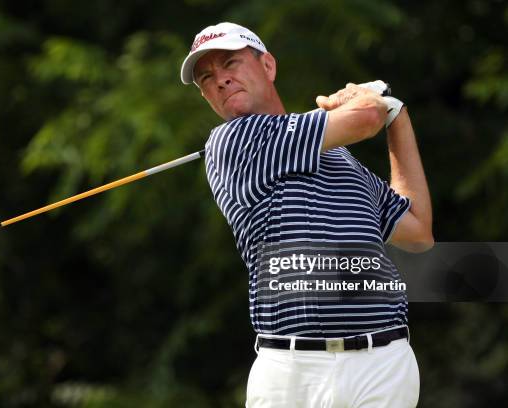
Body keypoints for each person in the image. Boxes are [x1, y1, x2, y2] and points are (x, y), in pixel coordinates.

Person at [180, 22, 433, 407]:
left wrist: (396, 115)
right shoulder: (233, 141)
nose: (220, 80)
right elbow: (365, 119)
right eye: (206, 78)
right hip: (291, 371)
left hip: (383, 364)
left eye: (230, 63)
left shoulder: (340, 157)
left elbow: (417, 233)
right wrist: (370, 97)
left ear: (268, 66)